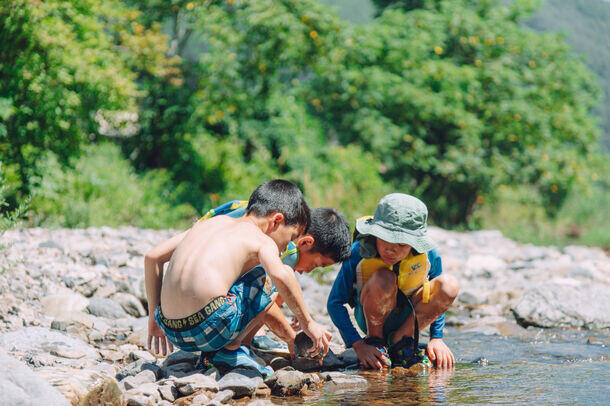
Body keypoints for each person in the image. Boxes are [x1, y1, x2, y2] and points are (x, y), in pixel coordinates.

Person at [144, 179, 331, 376]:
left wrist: (154, 316)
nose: (287, 246)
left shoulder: (209, 223)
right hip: (208, 328)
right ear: (276, 220)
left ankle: (221, 351)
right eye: (291, 237)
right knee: (267, 275)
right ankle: (230, 350)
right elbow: (281, 274)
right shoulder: (261, 240)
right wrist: (308, 323)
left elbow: (152, 257)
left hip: (171, 329)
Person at [175, 198, 352, 354]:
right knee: (277, 282)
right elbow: (267, 292)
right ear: (305, 242)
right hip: (204, 317)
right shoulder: (288, 249)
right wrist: (293, 339)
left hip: (180, 303)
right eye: (315, 265)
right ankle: (237, 346)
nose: (308, 271)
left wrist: (299, 309)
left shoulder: (256, 212)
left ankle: (245, 339)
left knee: (281, 285)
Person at [327, 193, 459, 370]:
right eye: (386, 239)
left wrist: (437, 338)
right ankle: (376, 340)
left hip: (410, 318)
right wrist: (357, 344)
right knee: (384, 278)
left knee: (449, 285)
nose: (391, 250)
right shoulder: (358, 252)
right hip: (371, 316)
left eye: (402, 244)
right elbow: (335, 303)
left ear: (414, 243)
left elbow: (439, 296)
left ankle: (401, 340)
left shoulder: (428, 254)